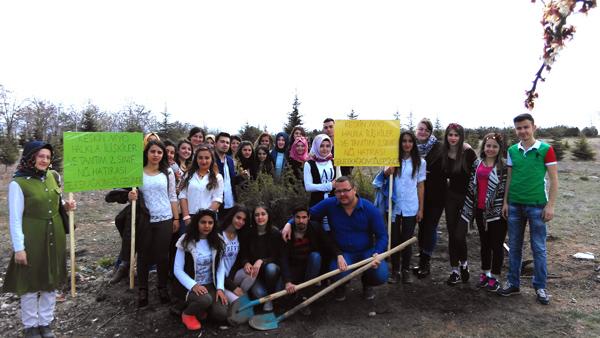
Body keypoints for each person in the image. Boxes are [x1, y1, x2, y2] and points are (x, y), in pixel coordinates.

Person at [4, 141, 77, 338]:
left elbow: (52, 200)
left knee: (51, 279)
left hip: (56, 235)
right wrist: (19, 248)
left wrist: (66, 205)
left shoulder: (52, 177)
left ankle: (45, 322)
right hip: (32, 238)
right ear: (30, 157)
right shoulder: (18, 184)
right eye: (40, 156)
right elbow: (15, 218)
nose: (44, 160)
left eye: (47, 156)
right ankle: (30, 326)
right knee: (29, 281)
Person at [282, 176, 388, 301]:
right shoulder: (330, 204)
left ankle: (367, 283)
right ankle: (341, 285)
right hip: (343, 254)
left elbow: (382, 236)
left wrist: (378, 253)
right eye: (338, 191)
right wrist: (289, 223)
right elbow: (307, 214)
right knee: (337, 273)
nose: (342, 194)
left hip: (367, 252)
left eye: (346, 190)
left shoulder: (369, 209)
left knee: (380, 275)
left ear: (354, 189)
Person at [498, 113, 558, 305]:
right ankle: (513, 284)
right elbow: (509, 178)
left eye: (526, 127)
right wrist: (506, 202)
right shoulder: (512, 150)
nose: (522, 131)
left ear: (533, 127)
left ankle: (540, 286)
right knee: (514, 247)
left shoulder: (546, 149)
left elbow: (554, 180)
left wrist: (551, 205)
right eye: (519, 128)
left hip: (537, 206)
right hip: (515, 205)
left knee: (538, 247)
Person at [128, 140, 179, 307]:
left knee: (163, 256)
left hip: (165, 218)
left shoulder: (168, 172)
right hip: (145, 219)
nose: (156, 155)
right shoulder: (137, 172)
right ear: (146, 153)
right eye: (153, 152)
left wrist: (176, 218)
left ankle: (162, 287)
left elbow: (172, 196)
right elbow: (131, 194)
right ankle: (143, 289)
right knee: (143, 255)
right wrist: (130, 197)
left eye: (159, 152)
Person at [373, 131, 425, 284]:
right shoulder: (391, 160)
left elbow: (420, 186)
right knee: (394, 239)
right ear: (400, 143)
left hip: (411, 205)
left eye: (410, 141)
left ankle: (406, 270)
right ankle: (395, 270)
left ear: (414, 144)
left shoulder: (420, 162)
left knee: (406, 240)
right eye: (404, 141)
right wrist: (387, 171)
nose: (407, 144)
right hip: (394, 206)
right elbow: (382, 177)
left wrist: (421, 209)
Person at [460, 133, 508, 292]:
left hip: (497, 212)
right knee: (485, 244)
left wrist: (504, 206)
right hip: (480, 210)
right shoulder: (477, 164)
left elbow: (504, 190)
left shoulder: (503, 166)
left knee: (497, 245)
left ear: (500, 148)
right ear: (484, 147)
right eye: (488, 146)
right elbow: (472, 185)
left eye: (495, 146)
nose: (491, 149)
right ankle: (485, 273)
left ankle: (495, 277)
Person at [173, 209, 227, 331]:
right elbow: (177, 269)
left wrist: (220, 288)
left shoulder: (218, 240)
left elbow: (220, 267)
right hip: (190, 285)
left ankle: (201, 309)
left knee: (221, 314)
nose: (207, 226)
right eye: (203, 222)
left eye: (210, 222)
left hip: (210, 284)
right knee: (205, 299)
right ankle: (187, 314)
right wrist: (193, 285)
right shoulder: (185, 240)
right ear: (197, 223)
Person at [280, 206, 339, 315]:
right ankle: (295, 293)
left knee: (316, 256)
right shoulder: (286, 232)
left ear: (309, 217)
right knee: (280, 292)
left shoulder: (315, 227)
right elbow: (283, 259)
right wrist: (287, 281)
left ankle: (304, 295)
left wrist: (339, 255)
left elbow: (329, 243)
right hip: (294, 268)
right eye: (297, 217)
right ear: (293, 218)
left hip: (310, 266)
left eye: (304, 217)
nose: (301, 220)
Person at [442, 123, 477, 285]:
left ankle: (464, 264)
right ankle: (455, 270)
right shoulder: (444, 152)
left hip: (466, 199)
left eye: (456, 135)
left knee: (459, 234)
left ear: (461, 136)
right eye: (450, 135)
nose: (453, 138)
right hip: (450, 198)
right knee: (451, 233)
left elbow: (479, 173)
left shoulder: (468, 153)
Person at [413, 118, 444, 278]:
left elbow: (445, 168)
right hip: (418, 194)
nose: (422, 132)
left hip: (436, 195)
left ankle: (425, 262)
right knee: (422, 227)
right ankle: (422, 255)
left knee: (430, 227)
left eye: (426, 129)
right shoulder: (412, 148)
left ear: (430, 132)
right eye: (420, 129)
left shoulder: (439, 148)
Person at [237, 204, 283, 312]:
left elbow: (277, 256)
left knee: (271, 268)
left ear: (268, 216)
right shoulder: (248, 233)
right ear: (253, 217)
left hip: (270, 272)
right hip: (254, 274)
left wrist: (262, 261)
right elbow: (243, 254)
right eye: (257, 215)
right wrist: (246, 263)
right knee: (261, 294)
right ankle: (262, 297)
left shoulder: (275, 233)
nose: (260, 217)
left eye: (263, 214)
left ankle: (271, 296)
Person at [179, 145, 224, 222]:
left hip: (209, 218)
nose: (203, 161)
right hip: (189, 216)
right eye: (200, 158)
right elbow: (183, 196)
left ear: (212, 159)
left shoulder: (218, 177)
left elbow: (217, 199)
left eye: (207, 158)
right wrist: (186, 217)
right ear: (196, 159)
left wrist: (206, 218)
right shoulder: (188, 174)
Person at [219, 205, 251, 302]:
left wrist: (246, 263)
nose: (241, 222)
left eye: (244, 220)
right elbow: (215, 268)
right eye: (238, 218)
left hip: (231, 277)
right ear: (232, 216)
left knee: (252, 272)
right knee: (238, 304)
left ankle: (240, 295)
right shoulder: (219, 233)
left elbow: (242, 256)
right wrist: (233, 287)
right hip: (218, 279)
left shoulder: (240, 235)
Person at [304, 134, 335, 207]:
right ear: (316, 146)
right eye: (321, 146)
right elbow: (308, 187)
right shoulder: (309, 164)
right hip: (317, 203)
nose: (325, 149)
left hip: (334, 202)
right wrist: (329, 186)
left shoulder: (333, 161)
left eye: (327, 146)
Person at [214, 133, 237, 215]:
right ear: (215, 143)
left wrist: (242, 177)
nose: (225, 145)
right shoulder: (211, 159)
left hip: (231, 203)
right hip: (217, 204)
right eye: (222, 142)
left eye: (227, 143)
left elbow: (232, 180)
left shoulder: (230, 160)